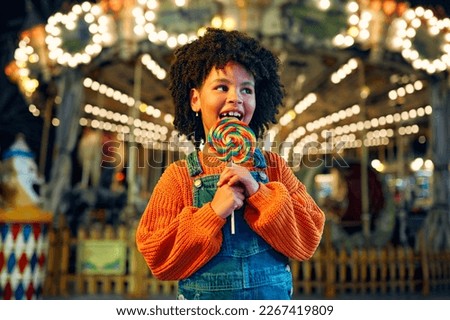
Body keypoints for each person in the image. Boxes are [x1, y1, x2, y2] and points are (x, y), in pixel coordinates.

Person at [135, 28, 325, 300]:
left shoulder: (274, 168)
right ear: (195, 99)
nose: (236, 97)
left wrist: (260, 194)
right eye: (222, 87)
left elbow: (307, 241)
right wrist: (213, 212)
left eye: (247, 89)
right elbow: (158, 257)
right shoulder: (180, 177)